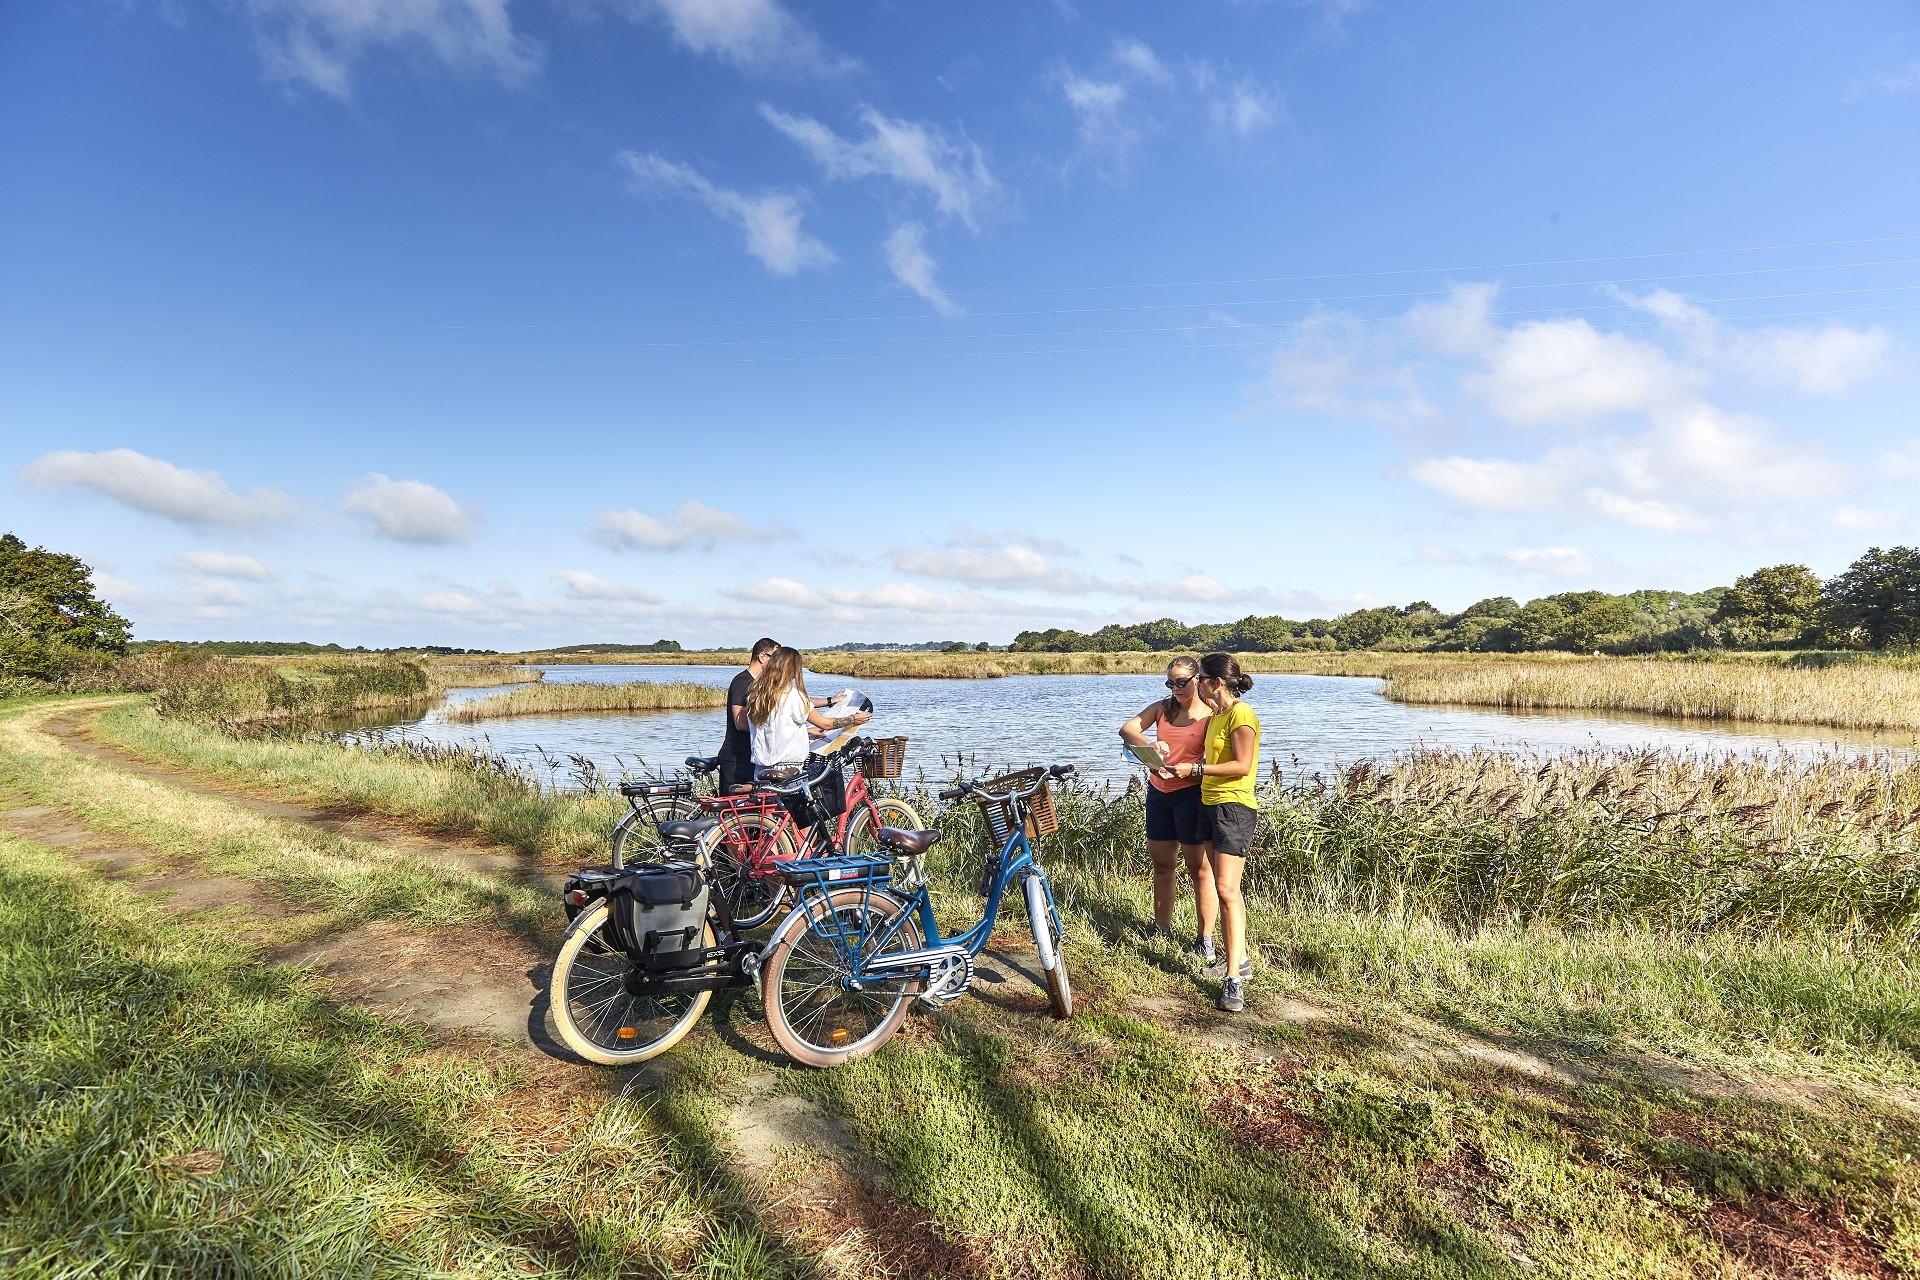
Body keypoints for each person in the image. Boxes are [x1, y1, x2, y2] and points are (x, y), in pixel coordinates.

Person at [1165, 652, 1260, 1014]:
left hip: (1233, 808)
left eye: (1201, 678)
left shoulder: (1241, 714)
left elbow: (1242, 764)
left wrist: (1195, 769)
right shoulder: (1217, 716)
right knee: (1218, 885)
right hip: (1208, 803)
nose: (1196, 685)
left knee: (1226, 889)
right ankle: (1240, 959)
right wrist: (1177, 762)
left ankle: (1233, 979)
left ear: (1217, 682)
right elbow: (1207, 760)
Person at [1117, 656, 1209, 942]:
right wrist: (1150, 744)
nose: (1176, 688)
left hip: (1191, 795)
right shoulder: (1162, 708)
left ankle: (1204, 939)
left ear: (1197, 679)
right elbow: (1128, 729)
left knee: (1199, 870)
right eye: (1171, 683)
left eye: (1182, 682)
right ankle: (1161, 928)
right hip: (1159, 793)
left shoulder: (1211, 714)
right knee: (1163, 864)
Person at [746, 646, 870, 779]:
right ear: (792, 669)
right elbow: (826, 724)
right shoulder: (793, 696)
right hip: (789, 770)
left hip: (761, 770)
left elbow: (775, 731)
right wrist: (853, 719)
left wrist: (808, 731)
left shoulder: (757, 695)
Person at [714, 637, 779, 792]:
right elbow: (740, 723)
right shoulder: (742, 682)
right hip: (737, 759)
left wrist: (829, 701)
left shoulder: (761, 684)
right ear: (762, 657)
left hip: (750, 757)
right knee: (733, 814)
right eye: (776, 658)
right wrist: (774, 729)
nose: (779, 663)